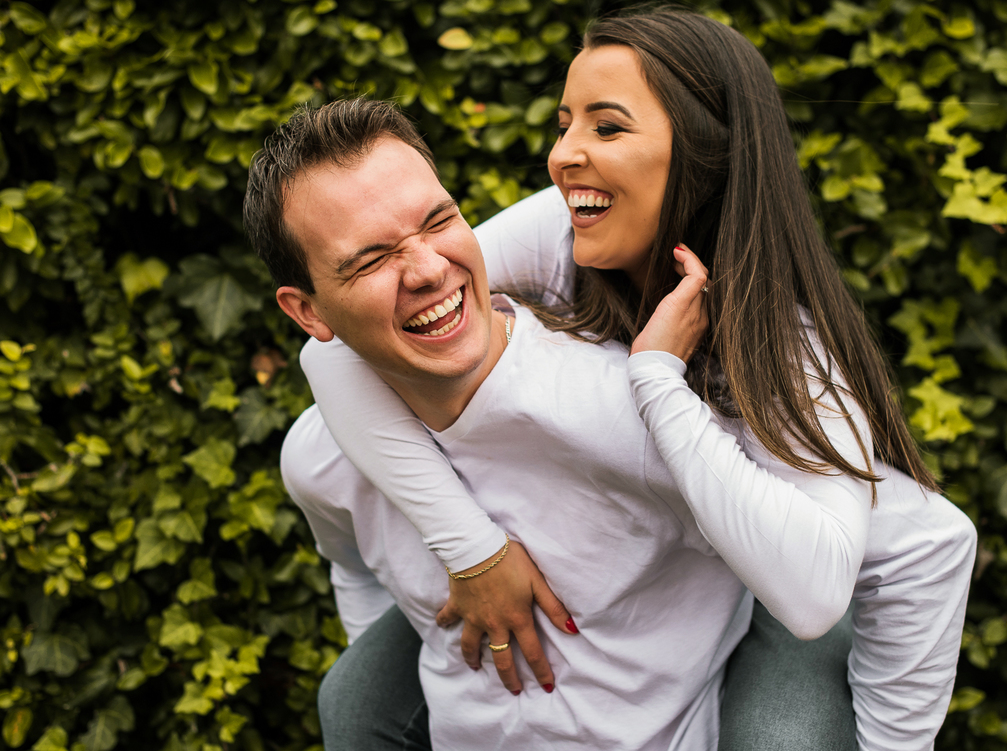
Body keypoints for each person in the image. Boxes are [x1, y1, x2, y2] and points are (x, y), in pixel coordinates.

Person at [294, 8, 978, 750]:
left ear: (704, 155)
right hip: (642, 562)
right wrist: (473, 550)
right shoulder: (560, 233)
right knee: (356, 701)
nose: (563, 155)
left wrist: (658, 379)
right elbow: (337, 349)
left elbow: (905, 555)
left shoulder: (784, 353)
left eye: (607, 127)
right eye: (564, 125)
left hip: (768, 567)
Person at [245, 98, 845, 749]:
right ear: (308, 313)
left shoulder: (624, 420)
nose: (428, 269)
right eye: (369, 260)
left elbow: (818, 564)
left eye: (439, 221)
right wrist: (466, 555)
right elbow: (356, 570)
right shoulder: (320, 460)